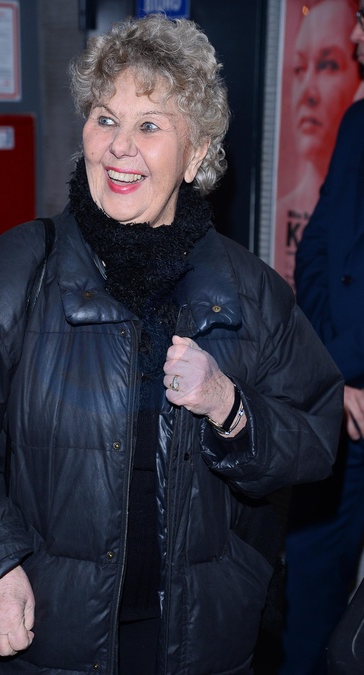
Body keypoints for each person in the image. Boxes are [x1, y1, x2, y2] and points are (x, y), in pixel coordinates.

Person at [0, 14, 343, 675]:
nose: (118, 146)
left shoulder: (251, 292)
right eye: (106, 118)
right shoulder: (10, 275)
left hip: (202, 642)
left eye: (149, 126)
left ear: (195, 154)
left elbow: (314, 436)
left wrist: (230, 406)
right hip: (46, 639)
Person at [281, 9, 364, 672]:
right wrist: (333, 375)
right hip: (340, 406)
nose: (357, 36)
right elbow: (315, 254)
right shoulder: (359, 122)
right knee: (311, 594)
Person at [274, 0, 361, 289]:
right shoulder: (355, 124)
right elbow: (315, 246)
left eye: (327, 65)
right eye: (300, 68)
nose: (307, 93)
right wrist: (325, 314)